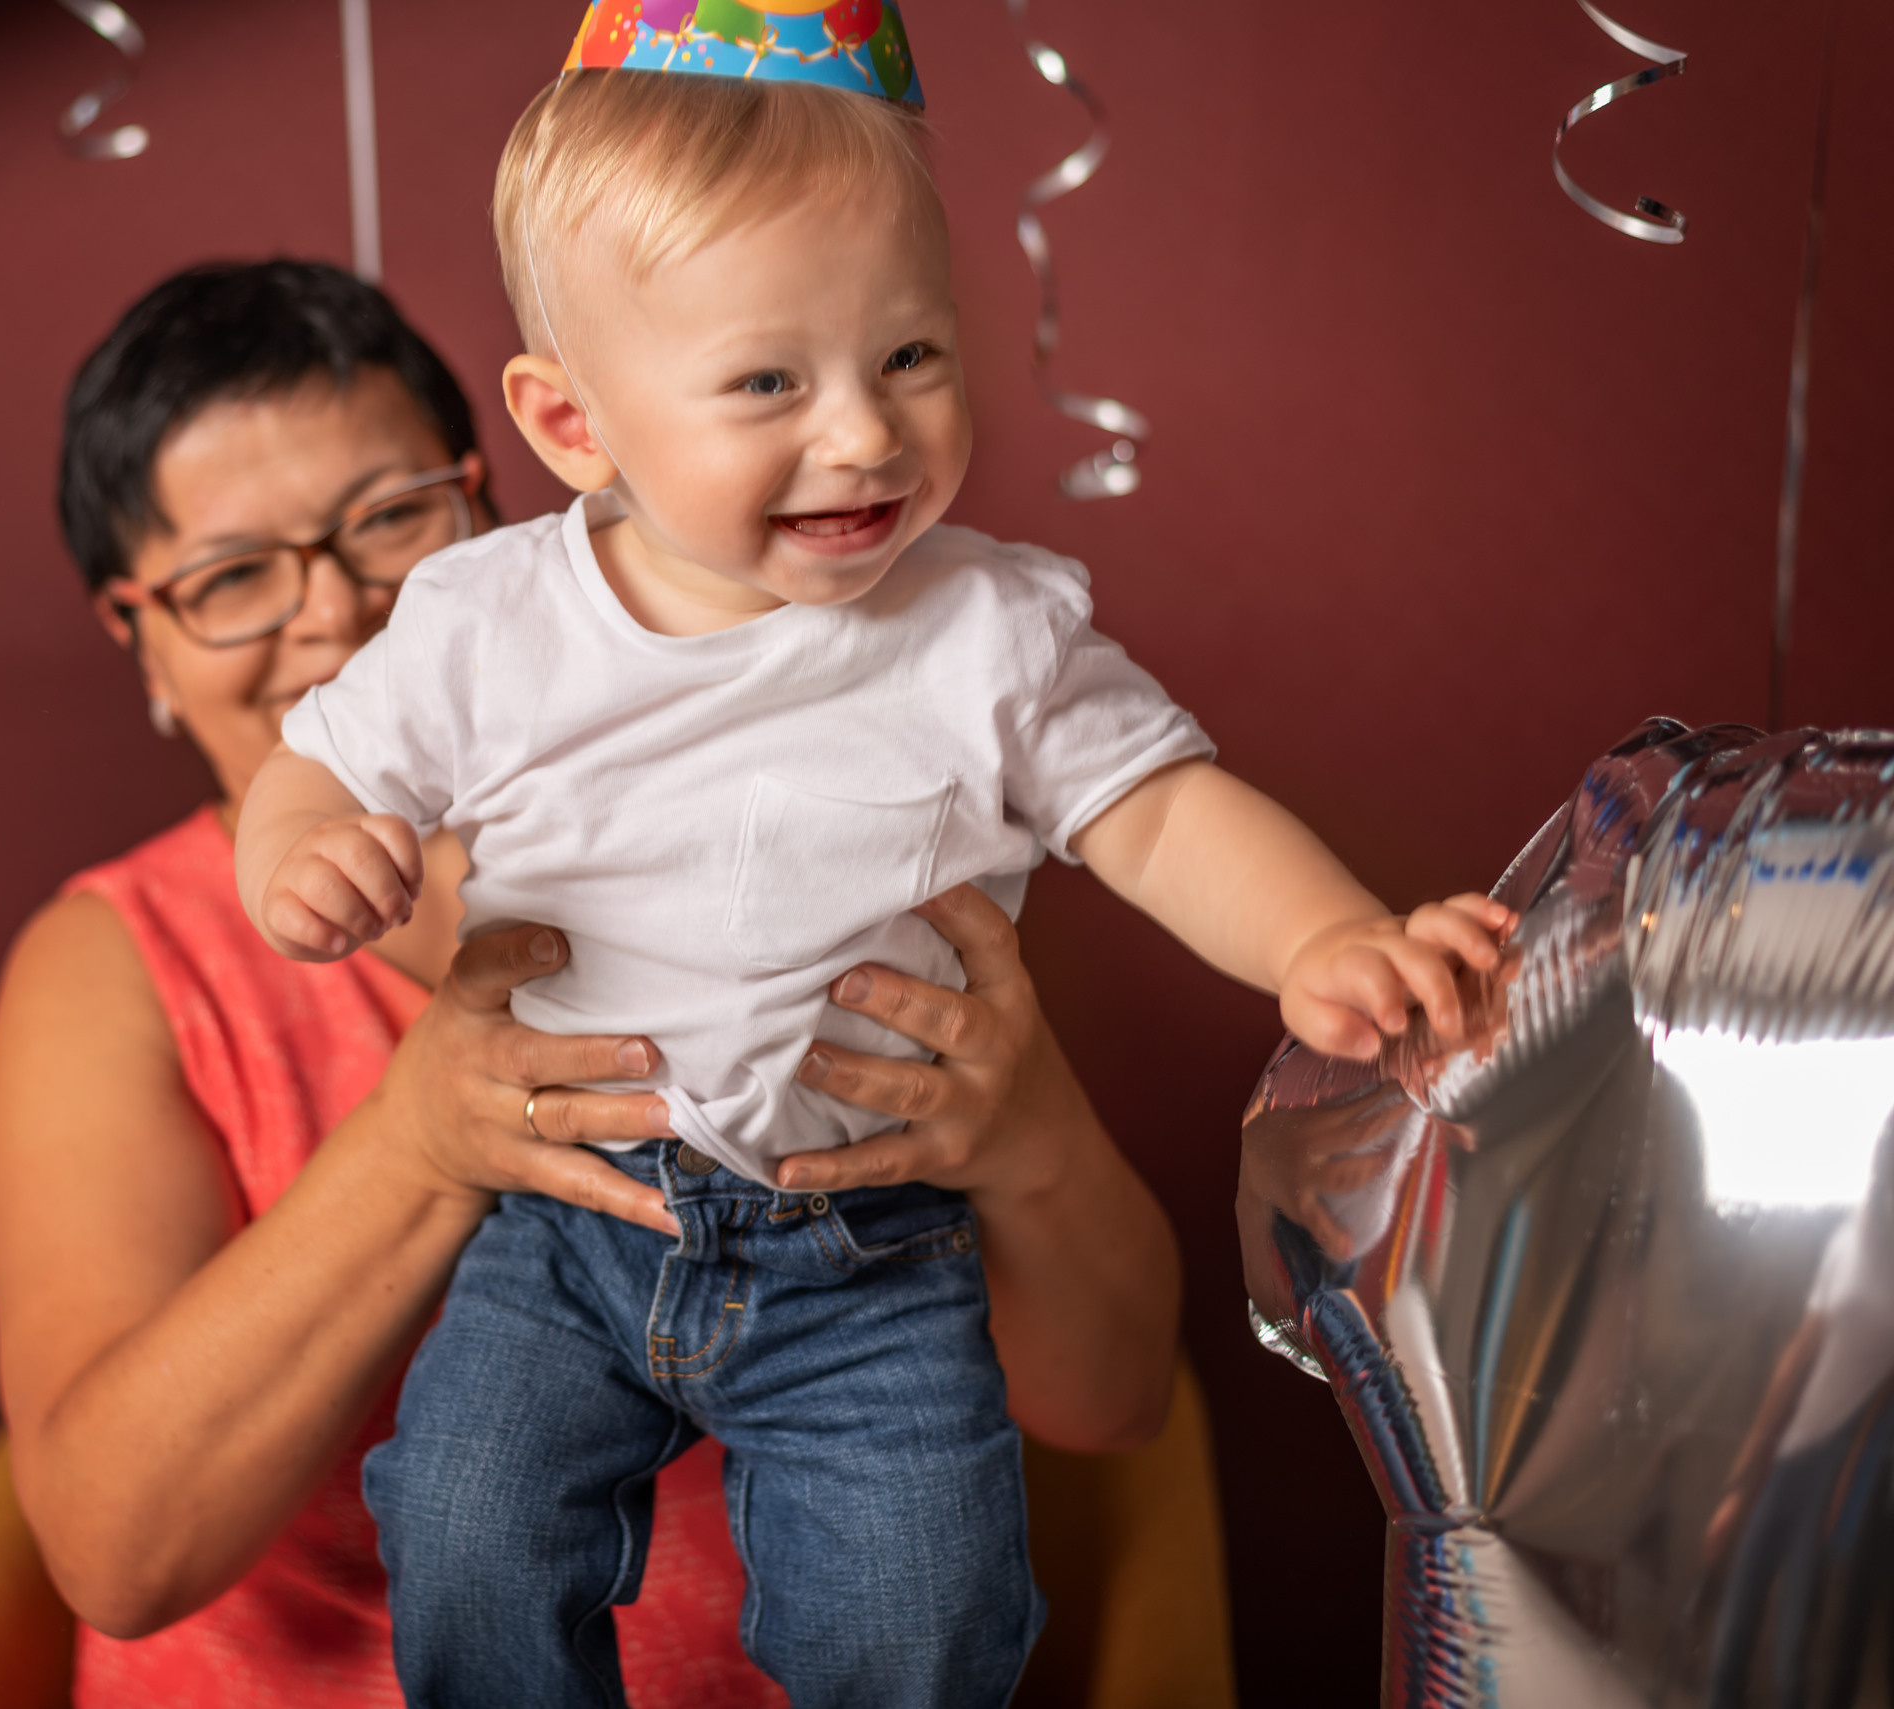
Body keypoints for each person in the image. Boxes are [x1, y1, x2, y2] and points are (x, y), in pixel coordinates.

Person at [231, 15, 1512, 1708]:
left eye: (910, 356)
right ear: (570, 420)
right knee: (469, 1526)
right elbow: (311, 765)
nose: (864, 437)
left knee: (916, 1604)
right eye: (771, 382)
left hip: (867, 1245)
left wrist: (1324, 935)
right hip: (570, 1224)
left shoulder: (979, 630)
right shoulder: (490, 623)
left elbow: (1162, 810)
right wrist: (310, 853)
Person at [0, 259, 1187, 1708]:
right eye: (234, 577)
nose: (337, 611)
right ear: (144, 640)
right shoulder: (117, 958)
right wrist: (422, 1140)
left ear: (491, 511)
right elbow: (118, 1549)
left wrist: (1025, 1129)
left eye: (391, 519)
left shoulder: (809, 838)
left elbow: (1113, 1400)